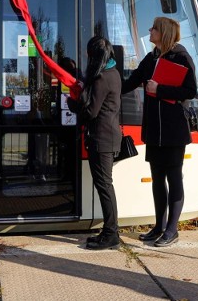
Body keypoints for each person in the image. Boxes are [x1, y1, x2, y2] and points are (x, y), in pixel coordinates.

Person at [122, 17, 196, 247]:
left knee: (174, 178)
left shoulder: (181, 56)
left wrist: (159, 89)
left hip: (174, 129)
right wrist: (108, 85)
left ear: (162, 32)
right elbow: (133, 80)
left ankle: (172, 230)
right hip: (154, 129)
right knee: (157, 179)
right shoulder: (152, 56)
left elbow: (190, 91)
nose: (149, 30)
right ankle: (158, 226)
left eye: (153, 28)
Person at [67, 36, 121, 250]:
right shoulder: (113, 73)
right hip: (108, 136)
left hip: (101, 138)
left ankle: (111, 233)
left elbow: (90, 112)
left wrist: (72, 104)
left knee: (104, 186)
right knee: (105, 185)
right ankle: (110, 231)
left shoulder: (101, 79)